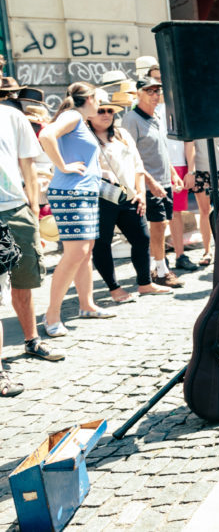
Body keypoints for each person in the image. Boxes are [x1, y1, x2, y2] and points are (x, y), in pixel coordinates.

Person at [38, 82, 115, 337]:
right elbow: (46, 135)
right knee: (76, 252)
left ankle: (87, 305)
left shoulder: (77, 119)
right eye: (99, 100)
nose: (102, 106)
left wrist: (98, 172)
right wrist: (63, 166)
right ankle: (51, 316)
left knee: (85, 251)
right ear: (90, 98)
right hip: (71, 193)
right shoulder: (72, 116)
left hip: (83, 192)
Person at [0, 95, 62, 397]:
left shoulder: (12, 117)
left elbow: (28, 166)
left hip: (15, 208)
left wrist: (34, 210)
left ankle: (31, 339)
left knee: (25, 278)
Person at [87, 90, 169, 302]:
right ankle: (114, 289)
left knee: (142, 239)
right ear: (89, 114)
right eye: (100, 111)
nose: (106, 115)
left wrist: (141, 192)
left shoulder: (122, 134)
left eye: (110, 111)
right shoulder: (86, 138)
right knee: (102, 244)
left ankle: (145, 283)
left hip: (129, 196)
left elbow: (138, 166)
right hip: (102, 199)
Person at [121, 73, 186, 288]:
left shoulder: (156, 117)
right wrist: (150, 182)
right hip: (147, 182)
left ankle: (155, 266)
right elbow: (130, 156)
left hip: (163, 179)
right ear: (138, 94)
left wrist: (173, 174)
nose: (155, 95)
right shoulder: (131, 120)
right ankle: (161, 271)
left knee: (163, 225)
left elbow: (161, 150)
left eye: (157, 90)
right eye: (149, 91)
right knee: (158, 226)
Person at [184, 135, 219, 267]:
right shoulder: (193, 118)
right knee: (204, 211)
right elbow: (189, 144)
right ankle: (207, 251)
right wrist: (191, 171)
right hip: (200, 168)